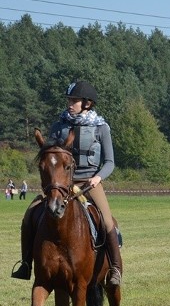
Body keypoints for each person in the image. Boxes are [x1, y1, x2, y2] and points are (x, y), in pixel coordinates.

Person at [11, 80, 123, 285]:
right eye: (69, 100)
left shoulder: (101, 128)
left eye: (74, 100)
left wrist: (97, 177)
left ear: (87, 103)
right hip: (61, 185)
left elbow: (110, 162)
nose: (69, 103)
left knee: (107, 222)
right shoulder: (59, 126)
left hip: (90, 183)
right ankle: (26, 263)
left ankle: (114, 269)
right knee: (29, 215)